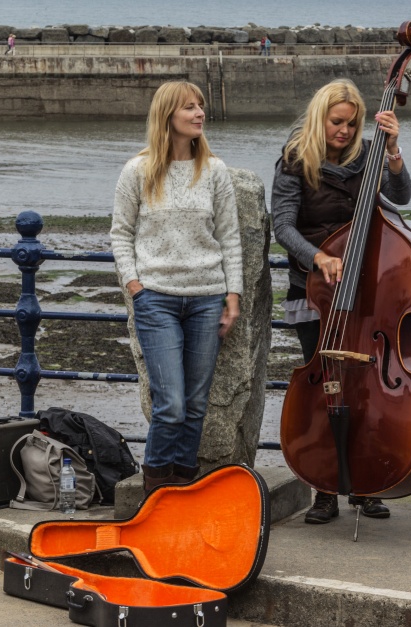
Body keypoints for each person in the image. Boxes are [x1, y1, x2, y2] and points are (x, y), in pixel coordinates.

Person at [271, 78, 411, 524]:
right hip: (315, 291)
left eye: (352, 123)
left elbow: (402, 198)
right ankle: (326, 487)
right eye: (337, 122)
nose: (346, 131)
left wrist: (391, 152)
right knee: (328, 386)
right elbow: (283, 226)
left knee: (366, 390)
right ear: (320, 118)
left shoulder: (367, 154)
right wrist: (318, 257)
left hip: (365, 292)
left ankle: (366, 484)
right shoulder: (296, 159)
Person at [110, 81, 243, 495]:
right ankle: (155, 490)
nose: (199, 113)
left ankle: (182, 489)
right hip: (157, 301)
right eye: (189, 107)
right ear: (168, 115)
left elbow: (230, 236)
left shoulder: (214, 171)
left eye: (201, 106)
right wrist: (135, 286)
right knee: (171, 405)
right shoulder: (138, 170)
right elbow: (120, 234)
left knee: (197, 405)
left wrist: (233, 296)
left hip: (207, 298)